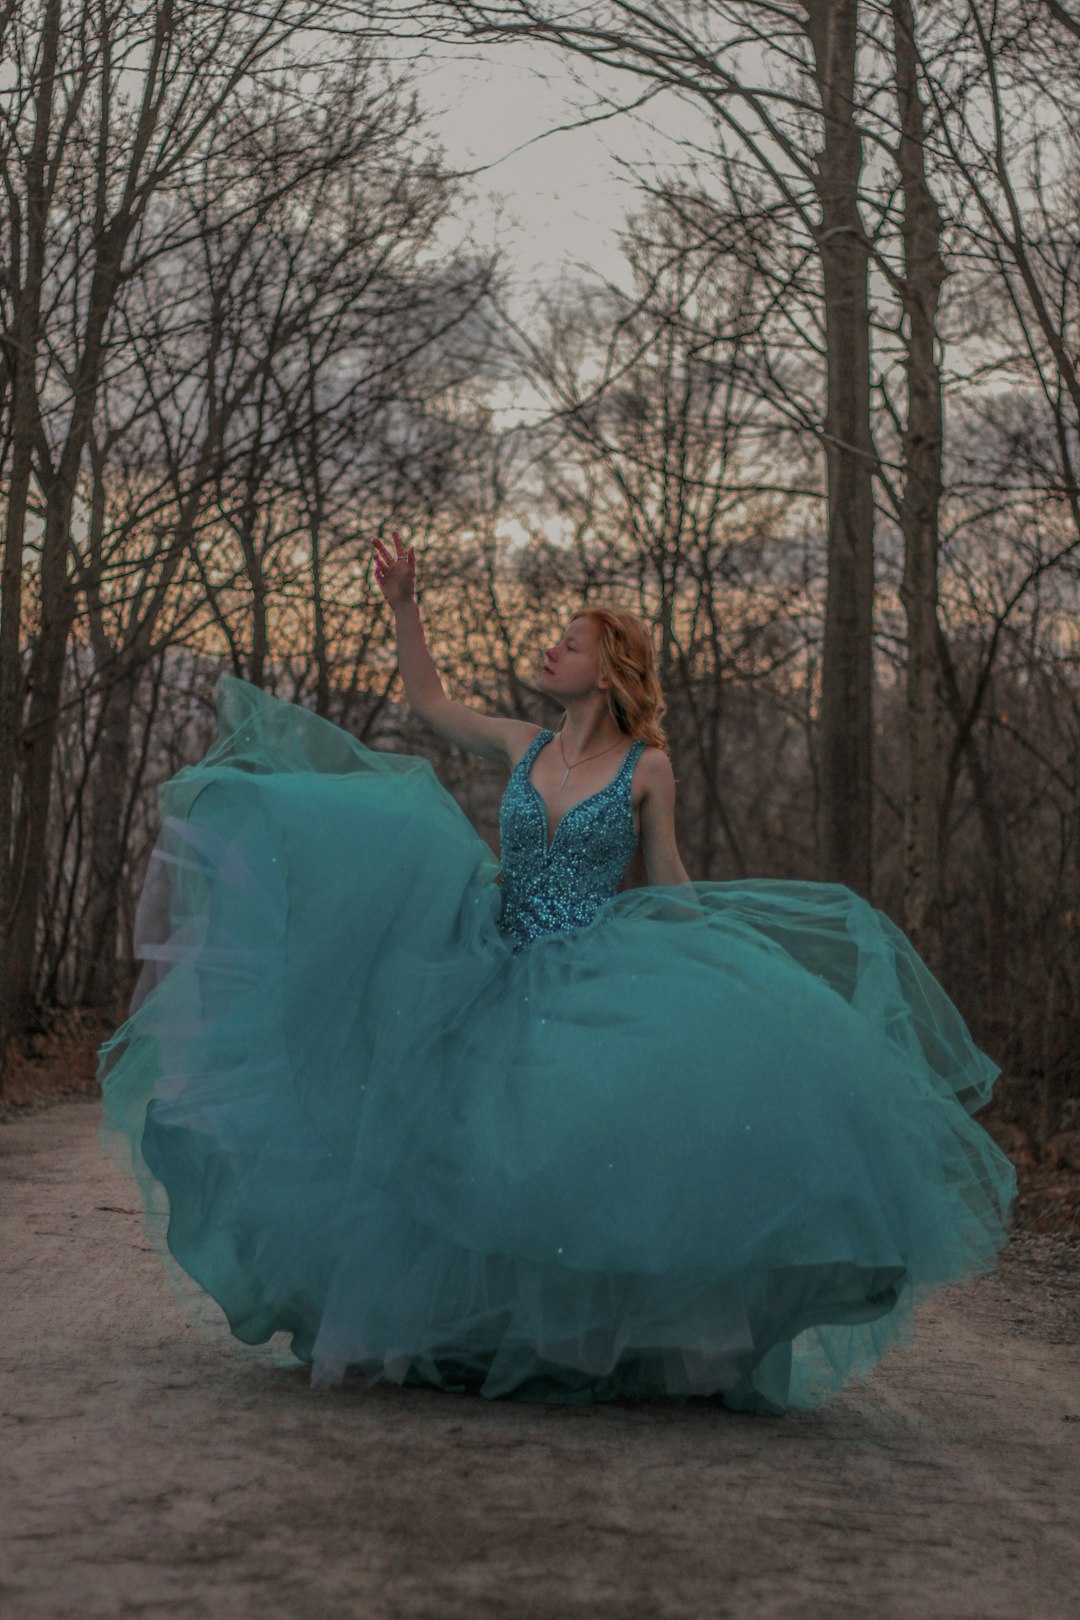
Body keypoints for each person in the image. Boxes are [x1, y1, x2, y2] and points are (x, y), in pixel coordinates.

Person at [99, 530, 1016, 1413]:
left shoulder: (648, 767)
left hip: (591, 966)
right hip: (488, 956)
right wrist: (404, 605)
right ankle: (470, 1331)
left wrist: (721, 960)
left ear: (609, 669)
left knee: (580, 1152)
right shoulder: (524, 743)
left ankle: (607, 1340)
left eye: (566, 644)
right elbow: (428, 702)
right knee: (452, 1135)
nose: (550, 650)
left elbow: (669, 875)